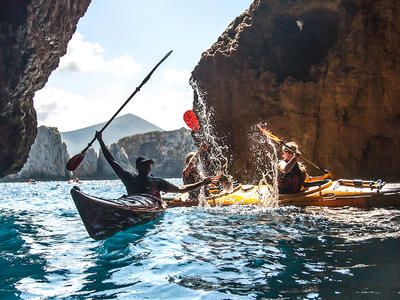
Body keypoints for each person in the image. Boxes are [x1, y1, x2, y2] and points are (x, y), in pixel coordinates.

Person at [95, 131, 211, 200]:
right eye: (145, 165)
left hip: (139, 204)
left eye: (147, 165)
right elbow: (180, 190)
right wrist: (202, 183)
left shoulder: (129, 177)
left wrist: (100, 141)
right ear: (148, 168)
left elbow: (112, 161)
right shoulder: (156, 182)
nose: (147, 167)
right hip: (138, 206)